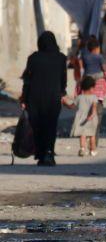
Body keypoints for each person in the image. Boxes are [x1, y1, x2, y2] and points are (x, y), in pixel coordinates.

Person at [19, 31, 67, 166]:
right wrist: (62, 93)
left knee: (37, 126)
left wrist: (24, 98)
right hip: (53, 98)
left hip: (34, 98)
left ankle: (40, 154)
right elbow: (63, 80)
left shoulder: (33, 58)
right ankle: (49, 153)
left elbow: (27, 81)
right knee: (51, 126)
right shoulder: (61, 58)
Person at [64, 74, 100, 157]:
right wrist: (92, 114)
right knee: (92, 135)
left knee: (82, 135)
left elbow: (71, 106)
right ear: (91, 88)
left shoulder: (79, 97)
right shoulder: (94, 97)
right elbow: (94, 107)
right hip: (92, 118)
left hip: (81, 119)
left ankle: (82, 149)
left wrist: (65, 103)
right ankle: (93, 150)